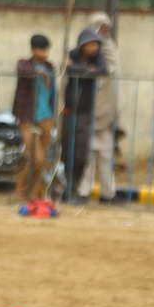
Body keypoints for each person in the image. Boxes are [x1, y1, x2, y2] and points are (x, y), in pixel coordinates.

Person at [60, 28, 109, 204]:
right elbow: (67, 68)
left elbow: (103, 70)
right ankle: (69, 188)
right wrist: (87, 69)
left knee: (81, 154)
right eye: (90, 44)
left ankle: (74, 186)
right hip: (68, 110)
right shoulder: (72, 53)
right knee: (67, 151)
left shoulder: (99, 58)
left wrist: (80, 69)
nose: (94, 48)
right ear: (82, 45)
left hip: (85, 113)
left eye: (96, 44)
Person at [78, 12, 121, 203]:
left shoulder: (110, 49)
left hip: (107, 111)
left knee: (106, 155)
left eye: (106, 26)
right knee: (86, 156)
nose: (105, 30)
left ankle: (108, 193)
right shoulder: (82, 51)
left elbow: (112, 72)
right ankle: (83, 192)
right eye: (101, 26)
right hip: (87, 111)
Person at [12, 34, 56, 203]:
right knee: (36, 158)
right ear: (32, 49)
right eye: (38, 49)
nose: (42, 53)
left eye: (44, 49)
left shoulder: (50, 67)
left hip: (46, 117)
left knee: (41, 161)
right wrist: (38, 72)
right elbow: (22, 70)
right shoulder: (25, 64)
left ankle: (32, 194)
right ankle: (20, 191)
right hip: (27, 117)